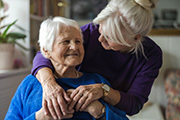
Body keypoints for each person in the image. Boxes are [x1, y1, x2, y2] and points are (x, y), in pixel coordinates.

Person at [31, 0, 162, 119]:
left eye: (109, 37)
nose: (100, 39)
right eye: (101, 30)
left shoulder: (151, 55)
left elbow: (134, 104)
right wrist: (49, 85)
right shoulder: (91, 32)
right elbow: (44, 54)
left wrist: (103, 92)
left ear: (135, 38)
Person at [5, 17, 129, 120]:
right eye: (66, 42)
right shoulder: (30, 84)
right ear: (46, 51)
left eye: (78, 41)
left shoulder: (96, 83)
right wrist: (40, 117)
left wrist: (98, 111)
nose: (74, 47)